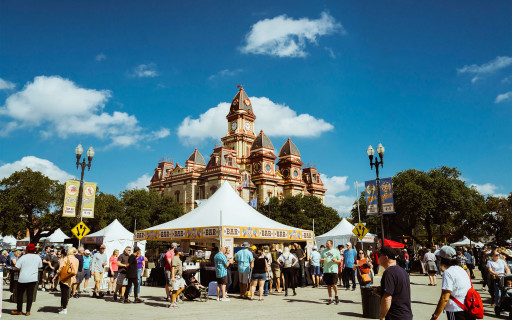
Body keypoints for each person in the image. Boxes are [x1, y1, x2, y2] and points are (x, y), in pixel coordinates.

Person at [430, 246, 476, 320]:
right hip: (468, 307)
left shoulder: (448, 273)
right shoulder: (461, 269)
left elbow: (445, 297)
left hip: (456, 310)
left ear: (442, 258)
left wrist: (435, 316)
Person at [378, 246, 413, 320]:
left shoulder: (389, 272)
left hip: (395, 316)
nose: (378, 258)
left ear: (385, 258)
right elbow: (398, 292)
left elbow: (387, 298)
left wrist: (382, 317)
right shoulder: (402, 271)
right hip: (405, 314)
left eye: (379, 255)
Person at [11, 244, 42, 316]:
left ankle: (19, 310)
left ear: (27, 250)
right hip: (33, 278)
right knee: (30, 295)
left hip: (23, 278)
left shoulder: (23, 257)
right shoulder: (38, 257)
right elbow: (40, 266)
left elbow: (17, 266)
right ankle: (28, 311)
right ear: (34, 250)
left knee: (20, 295)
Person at [54, 247, 79, 315]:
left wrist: (55, 276)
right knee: (68, 293)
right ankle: (64, 306)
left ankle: (64, 308)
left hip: (64, 278)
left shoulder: (65, 258)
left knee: (64, 294)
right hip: (71, 278)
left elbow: (60, 269)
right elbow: (75, 270)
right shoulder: (76, 260)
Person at [321, 240, 341, 304]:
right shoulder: (323, 251)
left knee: (334, 284)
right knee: (328, 285)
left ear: (331, 244)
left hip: (334, 270)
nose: (327, 245)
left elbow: (340, 261)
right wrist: (322, 260)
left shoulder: (336, 251)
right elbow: (321, 260)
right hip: (326, 270)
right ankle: (330, 298)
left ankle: (336, 295)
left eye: (328, 244)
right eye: (326, 244)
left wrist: (335, 261)